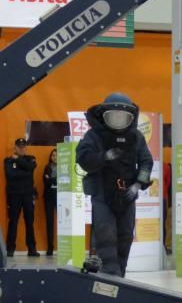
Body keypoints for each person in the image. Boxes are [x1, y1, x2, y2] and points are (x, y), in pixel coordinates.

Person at [76, 93, 153, 277]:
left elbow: (146, 161)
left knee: (126, 235)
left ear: (130, 118)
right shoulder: (94, 136)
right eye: (114, 116)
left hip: (127, 193)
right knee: (105, 234)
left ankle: (120, 273)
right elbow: (83, 158)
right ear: (104, 116)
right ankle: (111, 272)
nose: (118, 120)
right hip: (102, 193)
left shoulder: (136, 137)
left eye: (122, 117)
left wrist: (137, 185)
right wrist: (104, 157)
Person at [4, 138, 39, 257]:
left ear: (26, 147)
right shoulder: (8, 160)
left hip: (28, 195)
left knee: (30, 222)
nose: (22, 148)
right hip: (14, 195)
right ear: (15, 147)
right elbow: (11, 175)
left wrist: (18, 160)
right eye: (19, 146)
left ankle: (32, 249)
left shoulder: (31, 158)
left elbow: (30, 168)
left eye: (23, 146)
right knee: (13, 221)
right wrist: (25, 171)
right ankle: (10, 249)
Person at [43, 148, 58, 256]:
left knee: (63, 222)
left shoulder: (64, 167)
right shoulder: (47, 167)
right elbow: (46, 181)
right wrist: (55, 179)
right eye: (53, 155)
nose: (54, 157)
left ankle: (63, 246)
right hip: (49, 197)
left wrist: (51, 179)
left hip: (61, 197)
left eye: (57, 155)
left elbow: (50, 180)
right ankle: (50, 247)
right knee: (49, 222)